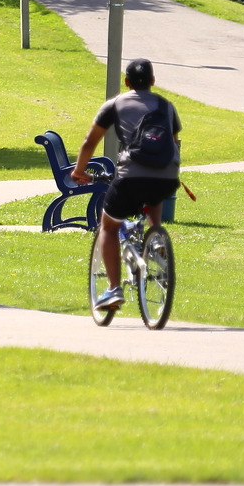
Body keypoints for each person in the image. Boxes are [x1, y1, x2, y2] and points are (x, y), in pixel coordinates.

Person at [71, 59, 181, 313]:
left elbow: (90, 141)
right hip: (167, 176)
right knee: (154, 192)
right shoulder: (167, 106)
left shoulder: (116, 103)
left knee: (108, 226)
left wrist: (79, 170)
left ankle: (112, 288)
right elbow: (174, 143)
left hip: (131, 174)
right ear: (153, 81)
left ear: (127, 82)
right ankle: (156, 236)